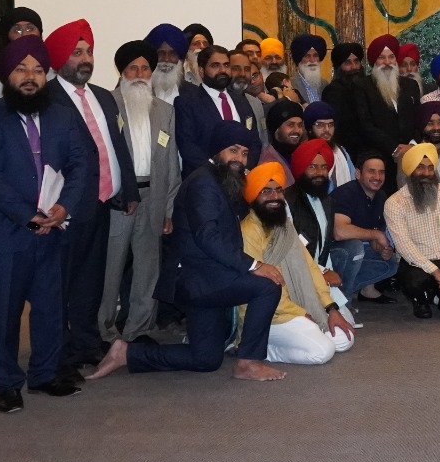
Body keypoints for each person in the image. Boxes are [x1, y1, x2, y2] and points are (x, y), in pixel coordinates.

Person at [89, 121, 287, 384]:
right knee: (266, 286)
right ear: (217, 151)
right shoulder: (204, 182)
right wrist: (254, 266)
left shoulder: (220, 179)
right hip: (196, 280)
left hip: (207, 278)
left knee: (205, 359)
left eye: (244, 153)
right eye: (233, 151)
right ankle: (248, 362)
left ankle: (128, 353)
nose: (239, 158)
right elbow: (208, 236)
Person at [0, 35, 94, 410]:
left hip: (53, 231)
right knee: (4, 315)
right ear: (7, 75)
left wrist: (63, 208)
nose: (30, 76)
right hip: (6, 235)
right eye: (22, 69)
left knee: (50, 309)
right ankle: (7, 383)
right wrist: (28, 215)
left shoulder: (61, 116)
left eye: (38, 70)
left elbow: (79, 164)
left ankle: (44, 374)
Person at [44, 19, 139, 376]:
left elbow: (117, 147)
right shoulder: (47, 98)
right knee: (60, 284)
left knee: (90, 280)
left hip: (101, 206)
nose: (85, 60)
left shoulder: (102, 96)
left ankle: (85, 341)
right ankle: (58, 350)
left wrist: (128, 189)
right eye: (76, 53)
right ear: (58, 60)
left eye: (88, 52)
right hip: (65, 208)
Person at [101, 40, 180, 346]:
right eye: (133, 68)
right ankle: (104, 331)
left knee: (148, 270)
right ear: (122, 71)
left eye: (145, 68)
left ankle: (139, 329)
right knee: (110, 268)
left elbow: (172, 164)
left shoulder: (164, 111)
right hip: (118, 200)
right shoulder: (106, 104)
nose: (139, 74)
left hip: (154, 199)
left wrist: (168, 210)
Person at [238, 164, 355, 365]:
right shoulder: (248, 231)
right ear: (253, 195)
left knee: (344, 340)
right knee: (323, 352)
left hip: (296, 306)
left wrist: (331, 308)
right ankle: (262, 350)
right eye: (265, 191)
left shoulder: (285, 226)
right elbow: (261, 287)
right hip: (268, 314)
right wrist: (301, 314)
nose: (274, 197)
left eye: (278, 190)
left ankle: (294, 339)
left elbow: (310, 267)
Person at [298, 141, 398, 305]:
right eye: (371, 172)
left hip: (353, 252)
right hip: (327, 254)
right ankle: (341, 303)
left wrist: (381, 248)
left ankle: (356, 291)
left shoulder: (380, 197)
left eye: (381, 172)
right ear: (358, 174)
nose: (377, 177)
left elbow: (374, 238)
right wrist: (376, 235)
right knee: (354, 247)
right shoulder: (347, 193)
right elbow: (339, 232)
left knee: (390, 262)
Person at [387, 143, 440, 321]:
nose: (426, 173)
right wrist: (438, 275)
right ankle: (420, 298)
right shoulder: (395, 203)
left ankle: (435, 295)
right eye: (420, 167)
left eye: (430, 168)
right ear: (409, 170)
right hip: (417, 264)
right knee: (415, 282)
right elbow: (405, 247)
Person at [174, 44, 261, 176]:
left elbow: (254, 141)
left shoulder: (241, 100)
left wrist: (244, 169)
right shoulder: (187, 103)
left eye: (226, 65)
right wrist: (217, 172)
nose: (222, 70)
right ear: (202, 71)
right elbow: (187, 147)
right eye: (215, 66)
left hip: (240, 180)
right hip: (204, 181)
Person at [354, 36, 421, 186]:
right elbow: (366, 125)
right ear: (374, 61)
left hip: (411, 157)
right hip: (380, 160)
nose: (387, 62)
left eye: (391, 57)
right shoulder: (362, 86)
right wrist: (395, 149)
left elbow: (419, 118)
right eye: (381, 58)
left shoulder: (410, 85)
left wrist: (412, 145)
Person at [145, 23, 189, 104]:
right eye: (161, 53)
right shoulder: (138, 91)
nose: (166, 59)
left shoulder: (194, 94)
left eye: (172, 53)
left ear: (180, 59)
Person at [259, 98, 306, 171]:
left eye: (300, 125)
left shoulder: (301, 156)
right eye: (290, 125)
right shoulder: (268, 162)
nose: (297, 130)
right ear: (276, 128)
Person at [288, 34, 328, 102]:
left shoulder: (325, 85)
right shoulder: (290, 85)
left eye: (315, 55)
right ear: (299, 59)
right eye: (307, 56)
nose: (312, 60)